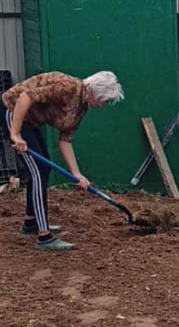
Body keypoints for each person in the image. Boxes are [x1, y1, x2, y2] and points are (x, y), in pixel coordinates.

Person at [2, 70, 124, 251]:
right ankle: (44, 237)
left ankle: (31, 222)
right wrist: (15, 134)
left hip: (31, 120)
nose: (103, 104)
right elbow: (25, 97)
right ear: (95, 92)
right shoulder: (67, 87)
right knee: (37, 171)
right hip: (13, 111)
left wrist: (77, 174)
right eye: (104, 100)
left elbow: (65, 140)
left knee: (44, 169)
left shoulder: (82, 107)